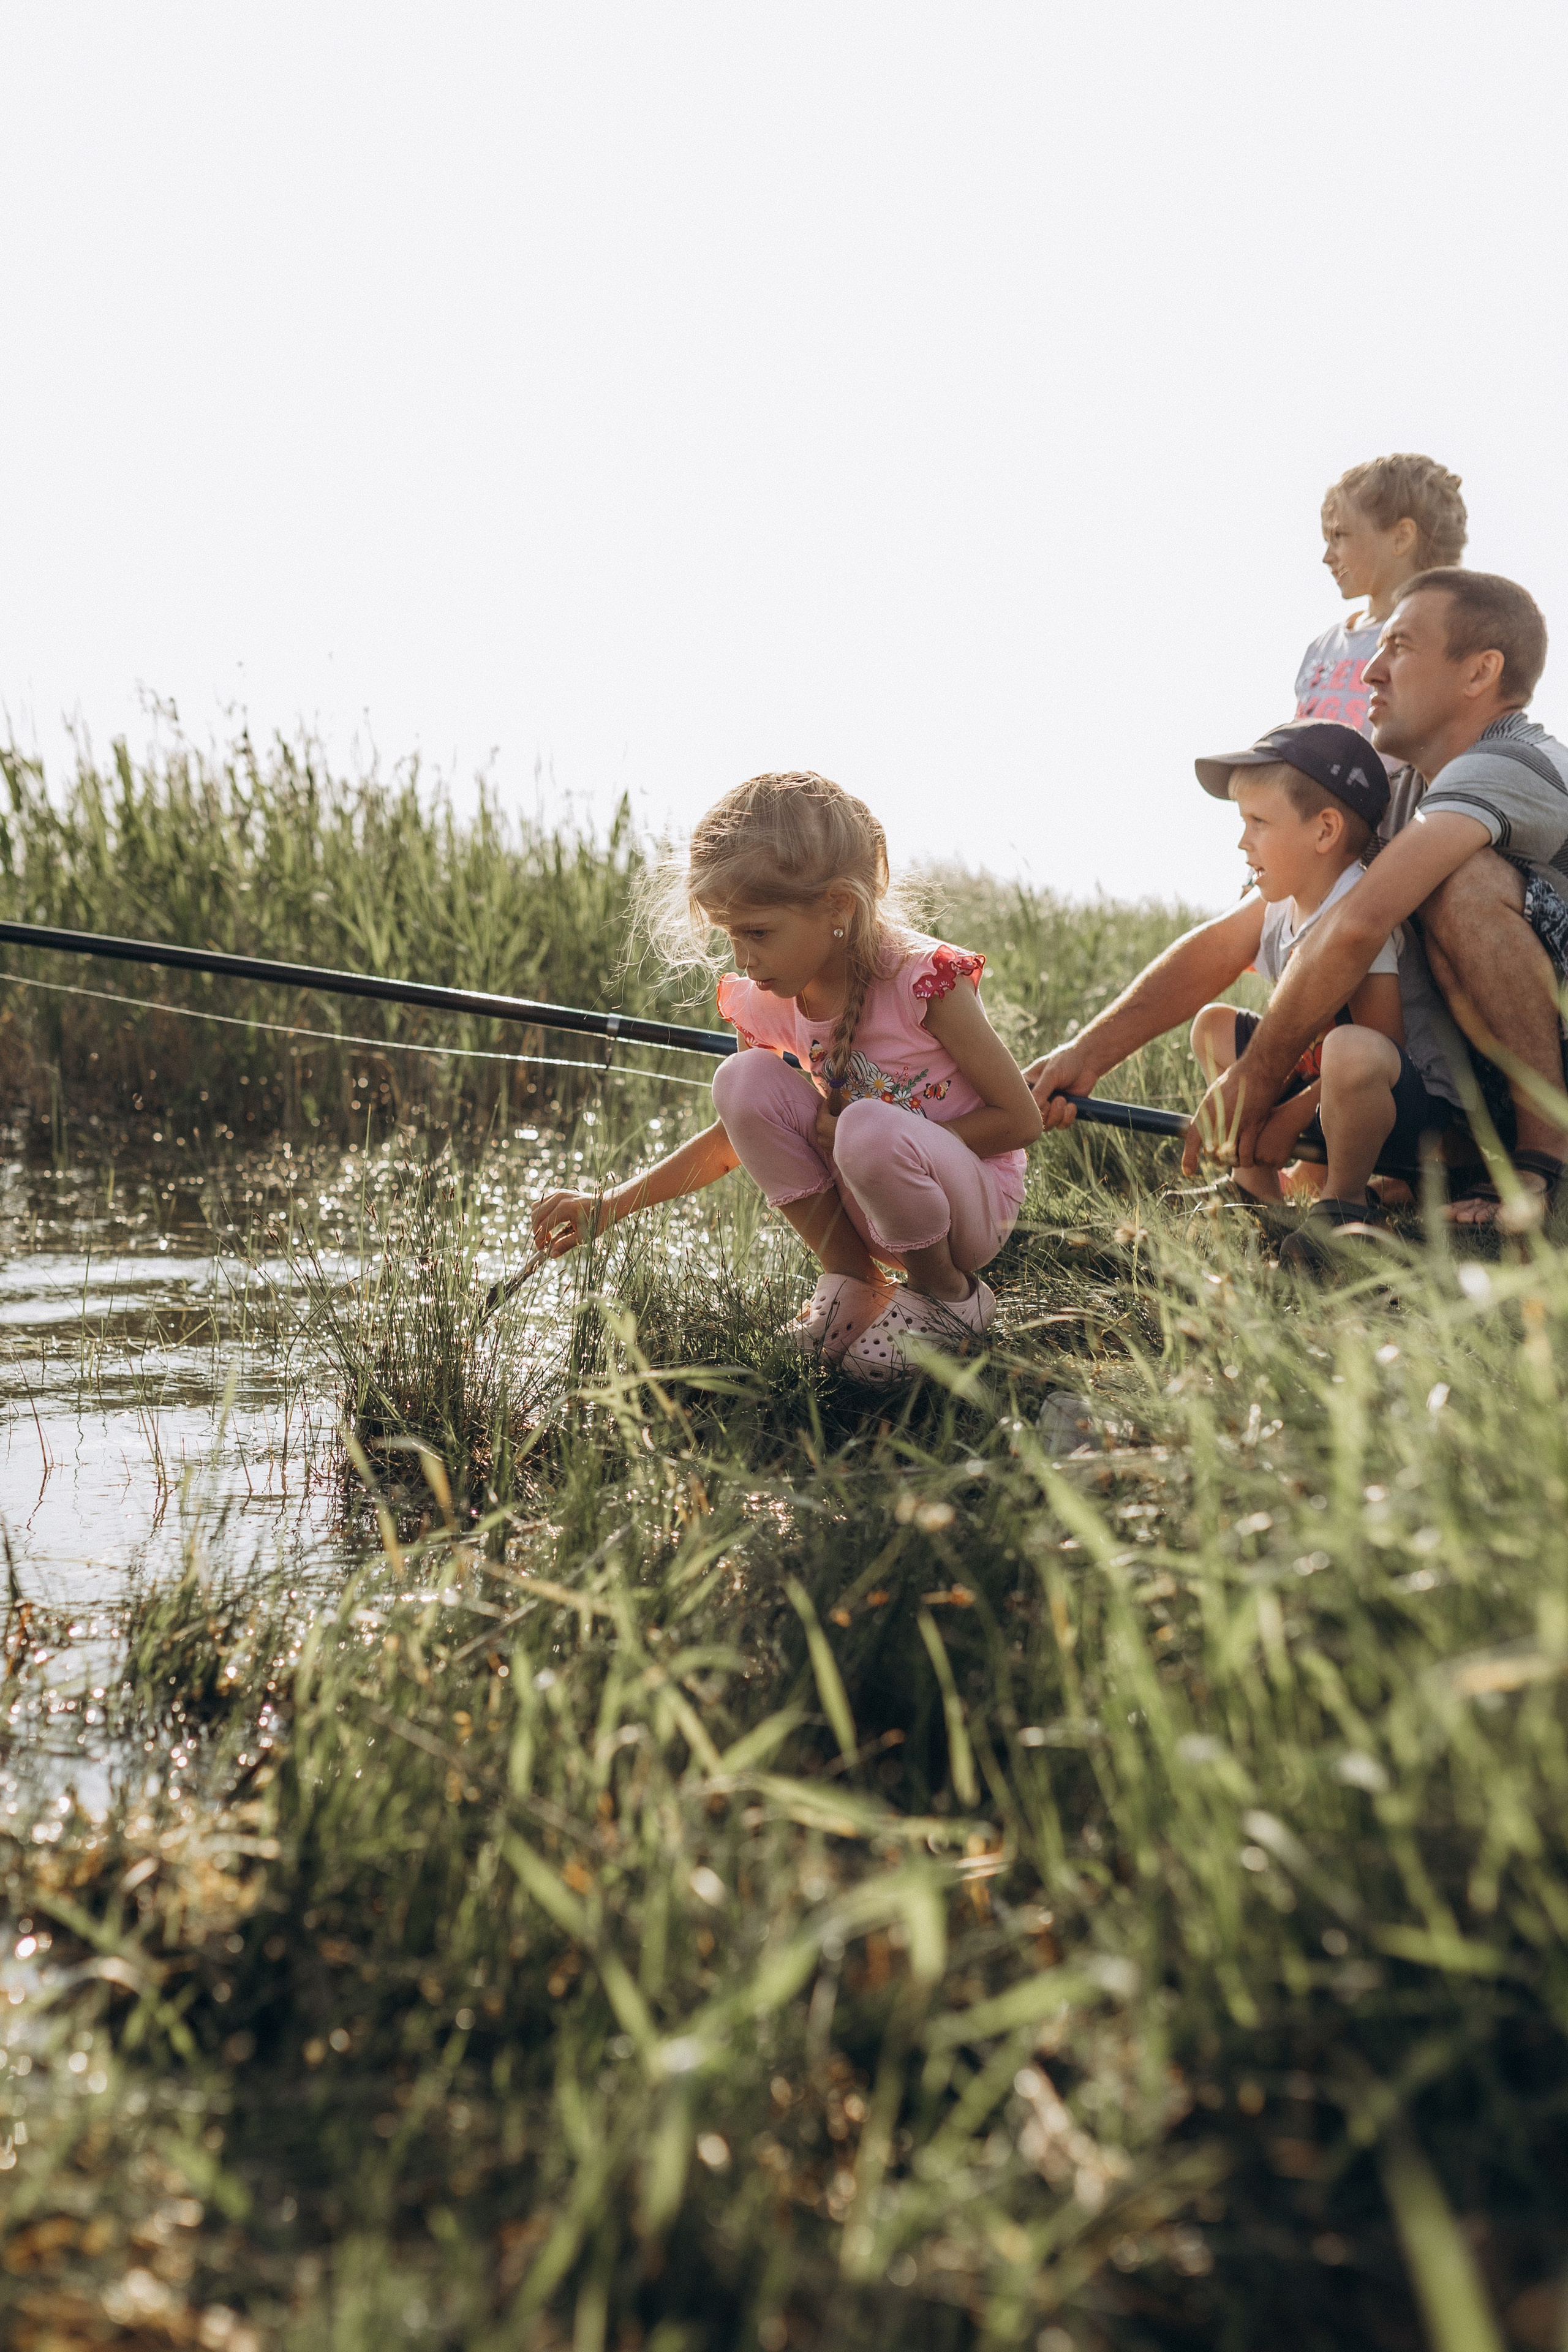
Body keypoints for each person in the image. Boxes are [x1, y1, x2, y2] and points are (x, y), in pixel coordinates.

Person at [529, 771, 1042, 1385]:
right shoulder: (767, 999)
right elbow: (733, 1137)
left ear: (838, 908)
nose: (744, 959)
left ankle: (948, 1300)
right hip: (868, 1195)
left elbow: (1021, 1121)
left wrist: (884, 1140)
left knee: (869, 1127)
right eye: (730, 936)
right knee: (741, 1079)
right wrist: (611, 1206)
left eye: (759, 933)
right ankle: (853, 1282)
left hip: (967, 1210)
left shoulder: (921, 979)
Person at [1182, 570, 1568, 1226]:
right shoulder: (1408, 800)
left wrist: (1260, 1076)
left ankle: (1544, 1163)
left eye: (1400, 647)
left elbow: (1361, 925)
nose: (1370, 673)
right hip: (1480, 1075)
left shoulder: (1513, 764)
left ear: (1479, 673)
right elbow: (1242, 931)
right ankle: (1441, 1165)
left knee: (1456, 884)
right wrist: (1086, 1058)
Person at [1185, 728, 1455, 1256]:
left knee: (1348, 1049)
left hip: (1402, 1109)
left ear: (1325, 830)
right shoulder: (1281, 908)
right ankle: (1258, 1190)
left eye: (1258, 823)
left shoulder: (1356, 907)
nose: (1244, 842)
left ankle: (1345, 1204)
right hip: (1325, 1080)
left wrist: (1288, 1115)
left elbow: (1381, 1044)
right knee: (1214, 1025)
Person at [1294, 454, 1467, 733]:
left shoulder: (1442, 645)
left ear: (1401, 537)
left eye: (1340, 536)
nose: (1327, 557)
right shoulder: (1323, 647)